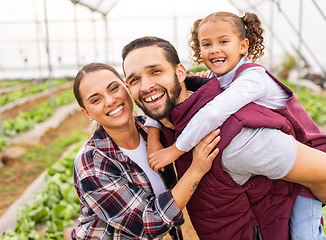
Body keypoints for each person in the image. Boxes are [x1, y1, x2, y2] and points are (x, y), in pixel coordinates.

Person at [121, 36, 326, 239]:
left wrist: (308, 213)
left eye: (155, 71)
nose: (146, 86)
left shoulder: (234, 138)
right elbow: (153, 103)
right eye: (134, 80)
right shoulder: (169, 124)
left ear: (180, 73)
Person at [70, 62, 221, 239]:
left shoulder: (150, 129)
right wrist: (196, 170)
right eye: (96, 100)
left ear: (127, 87)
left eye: (113, 88)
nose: (110, 101)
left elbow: (185, 106)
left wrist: (200, 82)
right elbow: (148, 222)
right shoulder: (91, 162)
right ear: (87, 113)